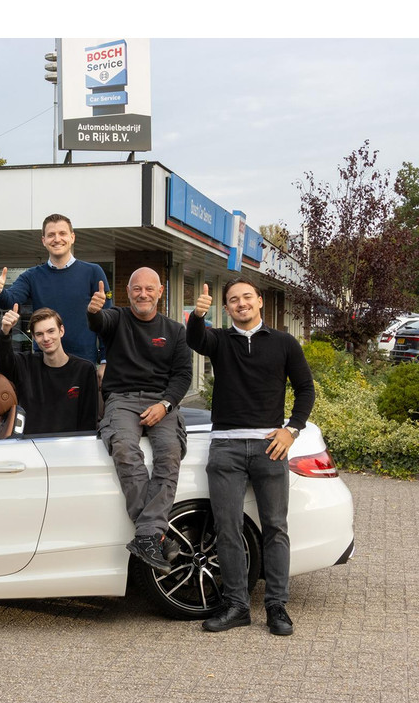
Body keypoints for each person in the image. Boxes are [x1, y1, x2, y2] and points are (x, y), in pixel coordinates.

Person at [187, 278, 315, 636]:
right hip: (225, 447)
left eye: (247, 297)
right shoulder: (219, 341)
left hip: (269, 448)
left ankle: (276, 607)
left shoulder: (284, 343)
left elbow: (305, 389)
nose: (241, 303)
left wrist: (292, 429)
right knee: (227, 528)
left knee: (275, 527)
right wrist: (197, 316)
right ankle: (237, 606)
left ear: (259, 301)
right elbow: (195, 340)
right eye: (233, 300)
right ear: (226, 308)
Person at [87, 268, 193, 573]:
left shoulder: (175, 331)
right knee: (124, 448)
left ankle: (146, 535)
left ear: (160, 292)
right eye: (136, 289)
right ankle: (154, 534)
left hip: (161, 401)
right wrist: (93, 311)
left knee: (169, 455)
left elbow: (183, 375)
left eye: (149, 289)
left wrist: (165, 405)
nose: (142, 294)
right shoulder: (116, 319)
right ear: (128, 292)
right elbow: (99, 322)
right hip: (121, 400)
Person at [0, 213, 112, 372]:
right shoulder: (31, 276)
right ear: (43, 241)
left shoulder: (93, 272)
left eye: (62, 233)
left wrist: (105, 360)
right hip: (44, 364)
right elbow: (10, 300)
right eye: (51, 235)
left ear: (72, 237)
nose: (57, 239)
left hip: (84, 364)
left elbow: (107, 321)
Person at [0, 305, 98, 435]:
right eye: (39, 334)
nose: (46, 338)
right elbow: (2, 362)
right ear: (34, 337)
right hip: (31, 443)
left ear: (61, 331)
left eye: (51, 331)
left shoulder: (84, 370)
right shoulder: (25, 364)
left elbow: (89, 420)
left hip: (70, 444)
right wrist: (4, 331)